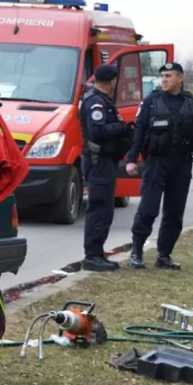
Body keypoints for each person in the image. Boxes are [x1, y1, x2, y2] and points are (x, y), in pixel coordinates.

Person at [125, 62, 193, 270]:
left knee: (174, 212)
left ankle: (164, 254)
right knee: (148, 208)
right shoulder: (152, 101)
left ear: (180, 78)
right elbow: (139, 131)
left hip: (181, 163)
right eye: (162, 76)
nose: (164, 79)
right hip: (157, 162)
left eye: (169, 76)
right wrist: (132, 159)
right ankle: (136, 252)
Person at [79, 65, 135, 272]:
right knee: (99, 209)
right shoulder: (96, 102)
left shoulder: (103, 101)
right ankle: (92, 256)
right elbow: (97, 131)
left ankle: (97, 252)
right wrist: (121, 128)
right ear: (111, 82)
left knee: (105, 210)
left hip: (105, 162)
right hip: (98, 162)